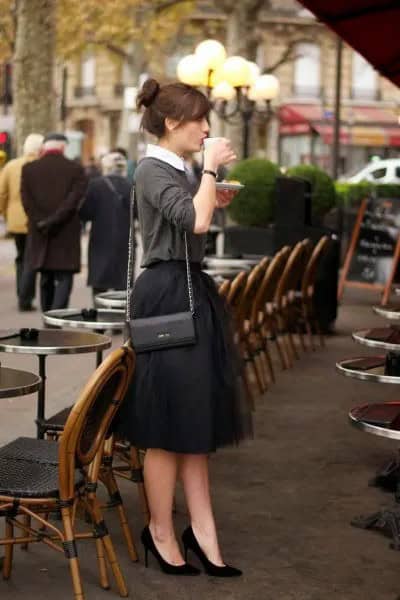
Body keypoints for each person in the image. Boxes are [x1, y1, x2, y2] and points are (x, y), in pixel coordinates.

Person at [117, 78, 252, 577]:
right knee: (166, 422)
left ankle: (202, 529)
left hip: (188, 290)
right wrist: (212, 169)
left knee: (193, 421)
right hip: (170, 294)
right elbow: (192, 225)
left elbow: (194, 219)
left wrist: (209, 191)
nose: (206, 127)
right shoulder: (153, 167)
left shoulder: (177, 168)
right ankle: (161, 530)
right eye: (198, 119)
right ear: (172, 122)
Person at [21, 132, 88, 312]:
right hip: (65, 231)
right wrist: (54, 220)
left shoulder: (29, 169)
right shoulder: (76, 169)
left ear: (45, 147)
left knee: (45, 275)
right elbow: (73, 202)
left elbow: (27, 202)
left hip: (40, 231)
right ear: (63, 147)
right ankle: (57, 318)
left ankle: (47, 315)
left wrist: (41, 222)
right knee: (64, 276)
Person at [0, 133, 43, 311]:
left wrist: (5, 213)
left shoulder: (11, 166)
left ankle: (21, 292)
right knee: (31, 259)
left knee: (20, 257)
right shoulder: (40, 166)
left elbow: (2, 193)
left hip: (15, 219)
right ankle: (25, 297)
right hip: (35, 219)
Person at [80, 151, 131, 300]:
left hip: (100, 237)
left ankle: (100, 310)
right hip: (124, 238)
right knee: (122, 280)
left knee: (99, 278)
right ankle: (120, 313)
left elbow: (85, 212)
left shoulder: (96, 185)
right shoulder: (130, 185)